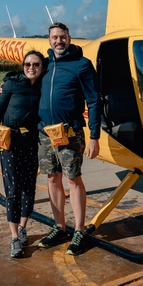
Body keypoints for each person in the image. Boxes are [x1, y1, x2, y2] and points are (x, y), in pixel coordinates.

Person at [36, 22, 100, 256]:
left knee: (73, 180)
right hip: (45, 132)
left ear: (69, 38)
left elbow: (94, 102)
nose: (58, 41)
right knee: (52, 179)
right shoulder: (44, 65)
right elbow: (25, 78)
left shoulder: (82, 65)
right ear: (49, 40)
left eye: (62, 37)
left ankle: (80, 231)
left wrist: (94, 136)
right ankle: (60, 228)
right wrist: (4, 85)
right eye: (54, 37)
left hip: (70, 132)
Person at [0, 50, 45, 259]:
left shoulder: (43, 85)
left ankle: (23, 228)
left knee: (29, 187)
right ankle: (14, 237)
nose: (31, 67)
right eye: (27, 64)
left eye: (36, 64)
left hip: (31, 143)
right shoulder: (11, 84)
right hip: (10, 144)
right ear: (22, 65)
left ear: (42, 67)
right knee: (13, 188)